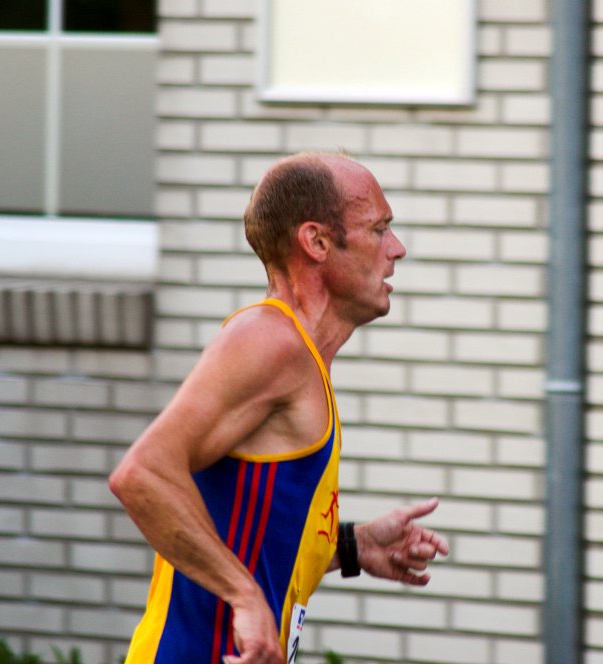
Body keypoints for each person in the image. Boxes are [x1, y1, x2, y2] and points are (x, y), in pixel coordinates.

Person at [109, 152, 449, 664]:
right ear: (317, 242)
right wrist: (243, 596)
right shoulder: (270, 340)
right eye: (379, 230)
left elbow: (257, 538)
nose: (397, 249)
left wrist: (354, 547)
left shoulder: (302, 358)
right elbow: (141, 474)